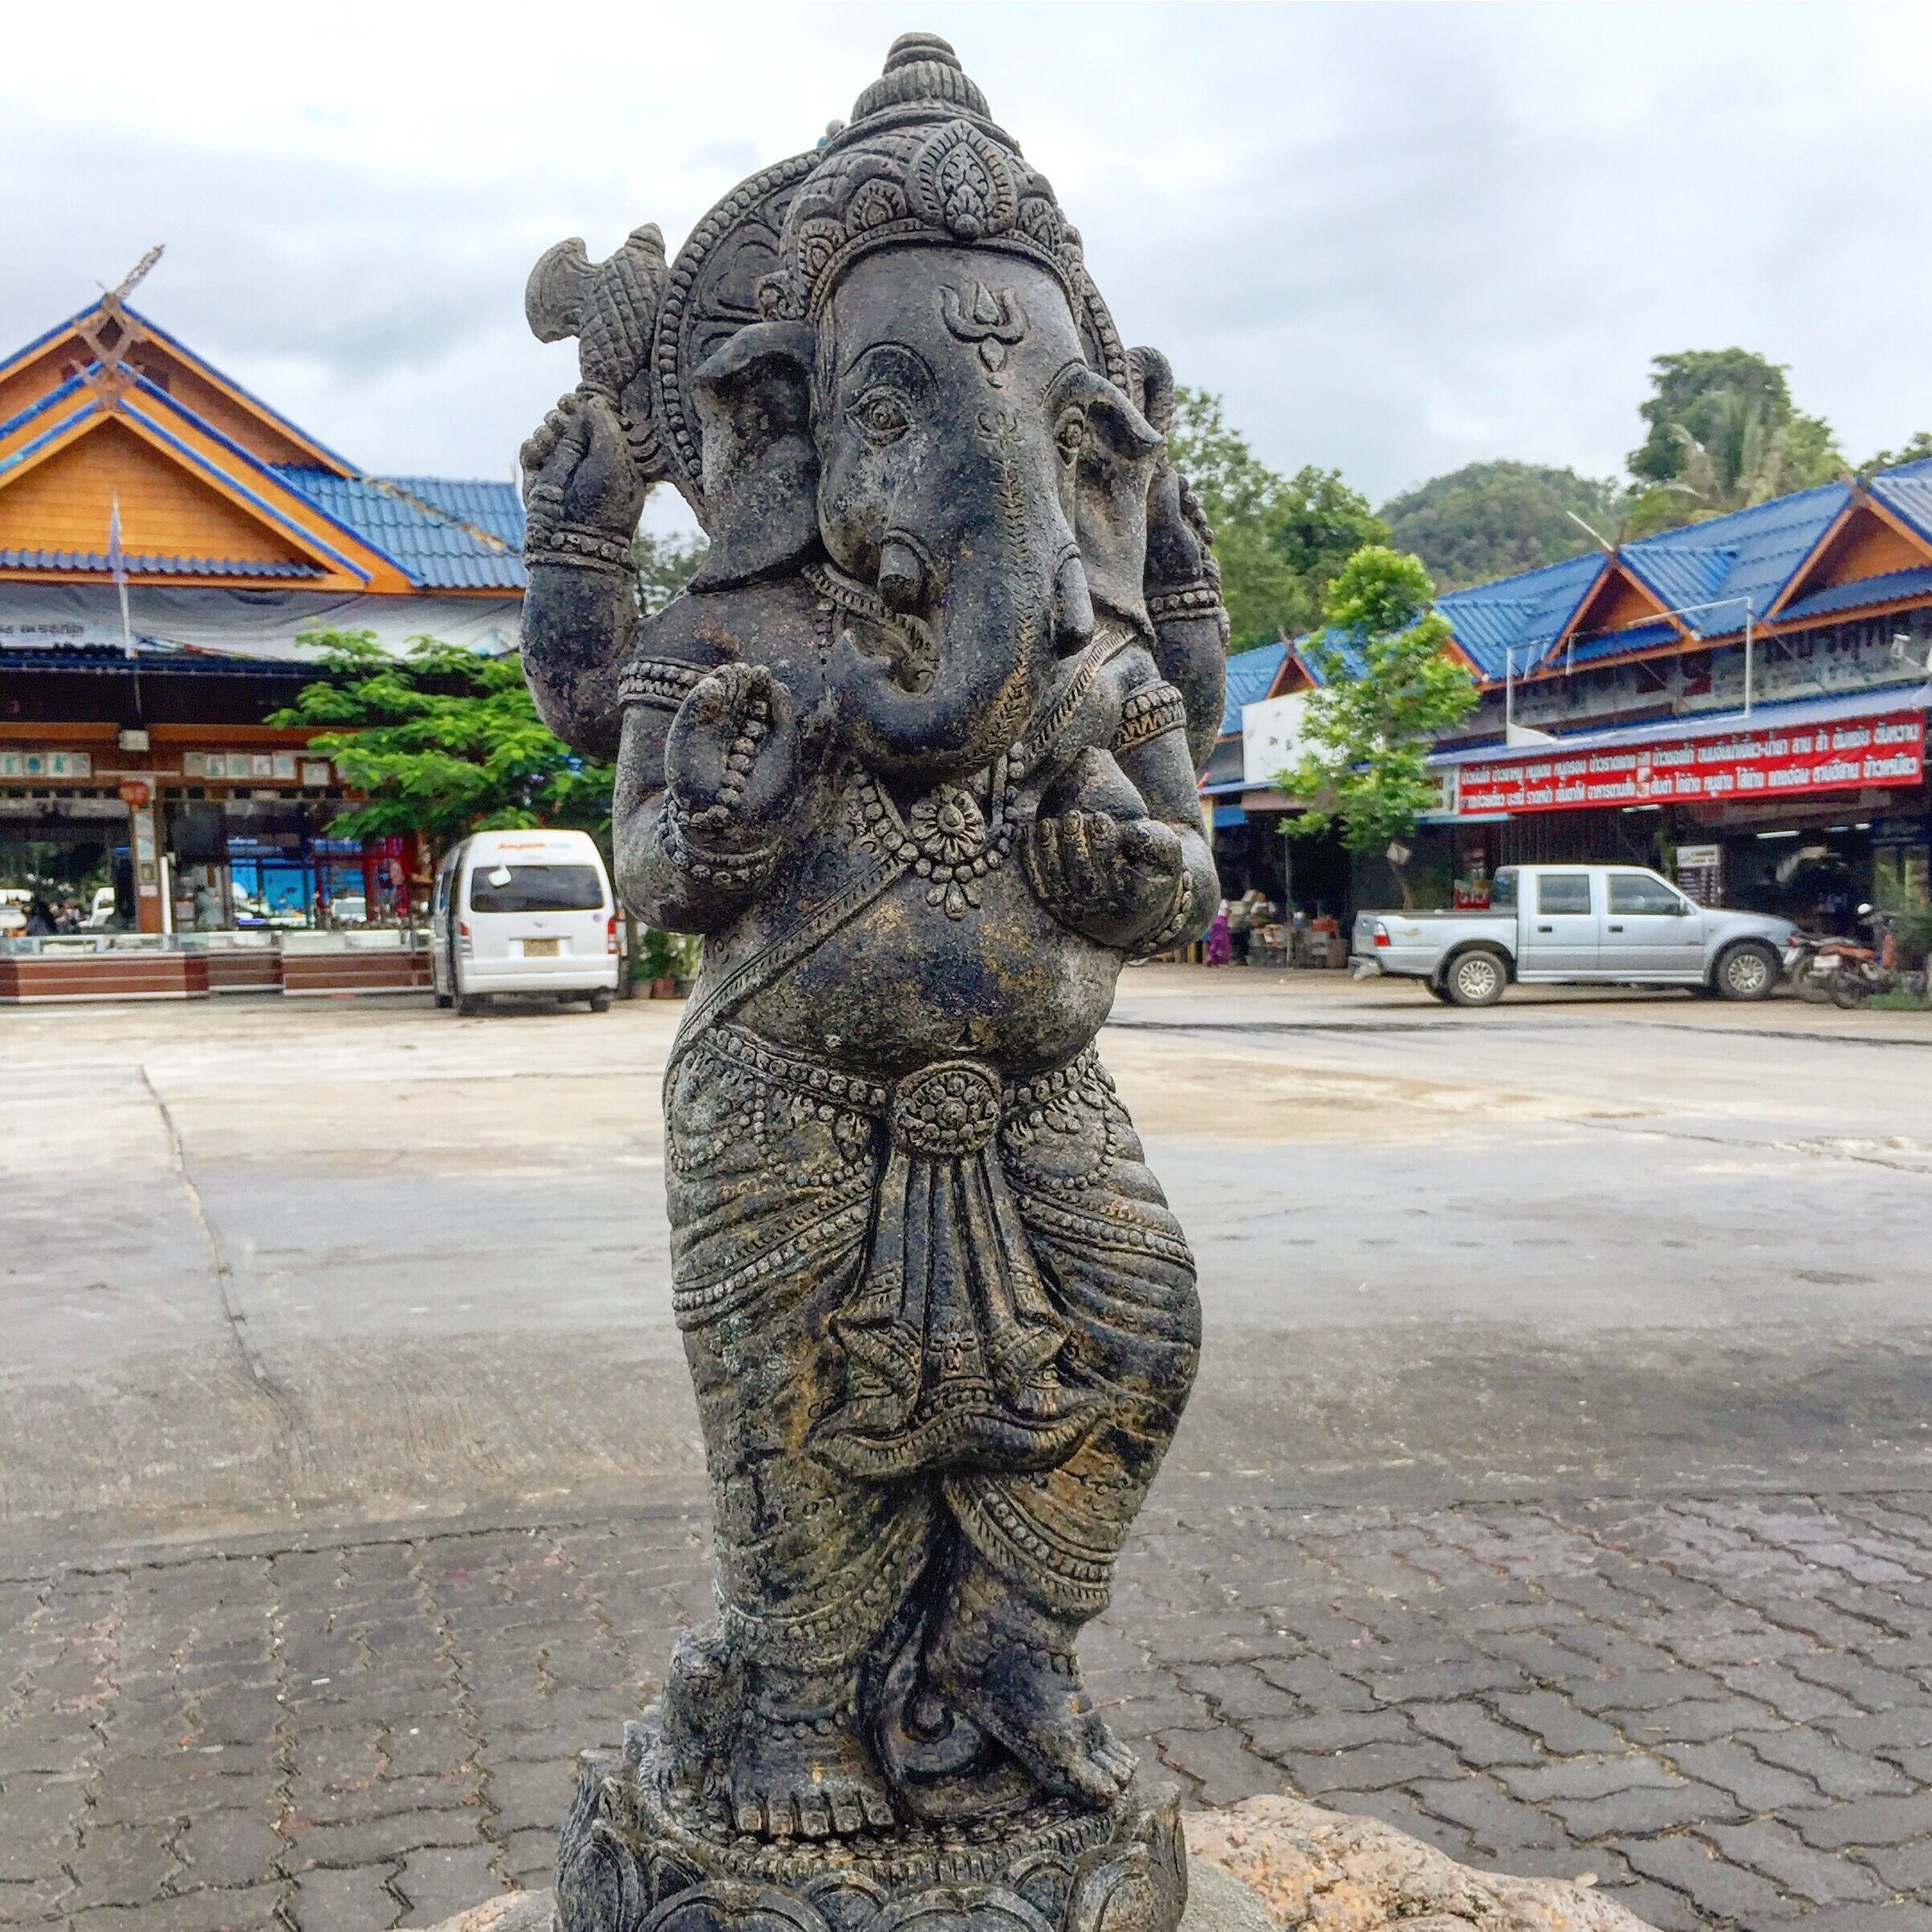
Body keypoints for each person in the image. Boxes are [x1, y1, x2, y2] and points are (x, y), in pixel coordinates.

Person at [1206, 897, 1233, 966]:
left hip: (1215, 921)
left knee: (1215, 941)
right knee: (1222, 941)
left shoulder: (1215, 901)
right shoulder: (1224, 901)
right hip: (1221, 921)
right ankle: (1219, 960)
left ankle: (1211, 958)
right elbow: (1225, 912)